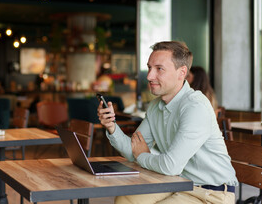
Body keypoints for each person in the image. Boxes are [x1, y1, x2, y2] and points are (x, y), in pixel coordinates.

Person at [97, 41, 237, 204]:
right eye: (149, 68)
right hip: (178, 183)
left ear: (181, 73)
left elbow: (170, 166)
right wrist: (112, 127)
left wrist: (143, 155)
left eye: (159, 69)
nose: (149, 76)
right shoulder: (156, 106)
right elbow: (132, 151)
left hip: (212, 193)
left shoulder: (195, 106)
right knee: (125, 200)